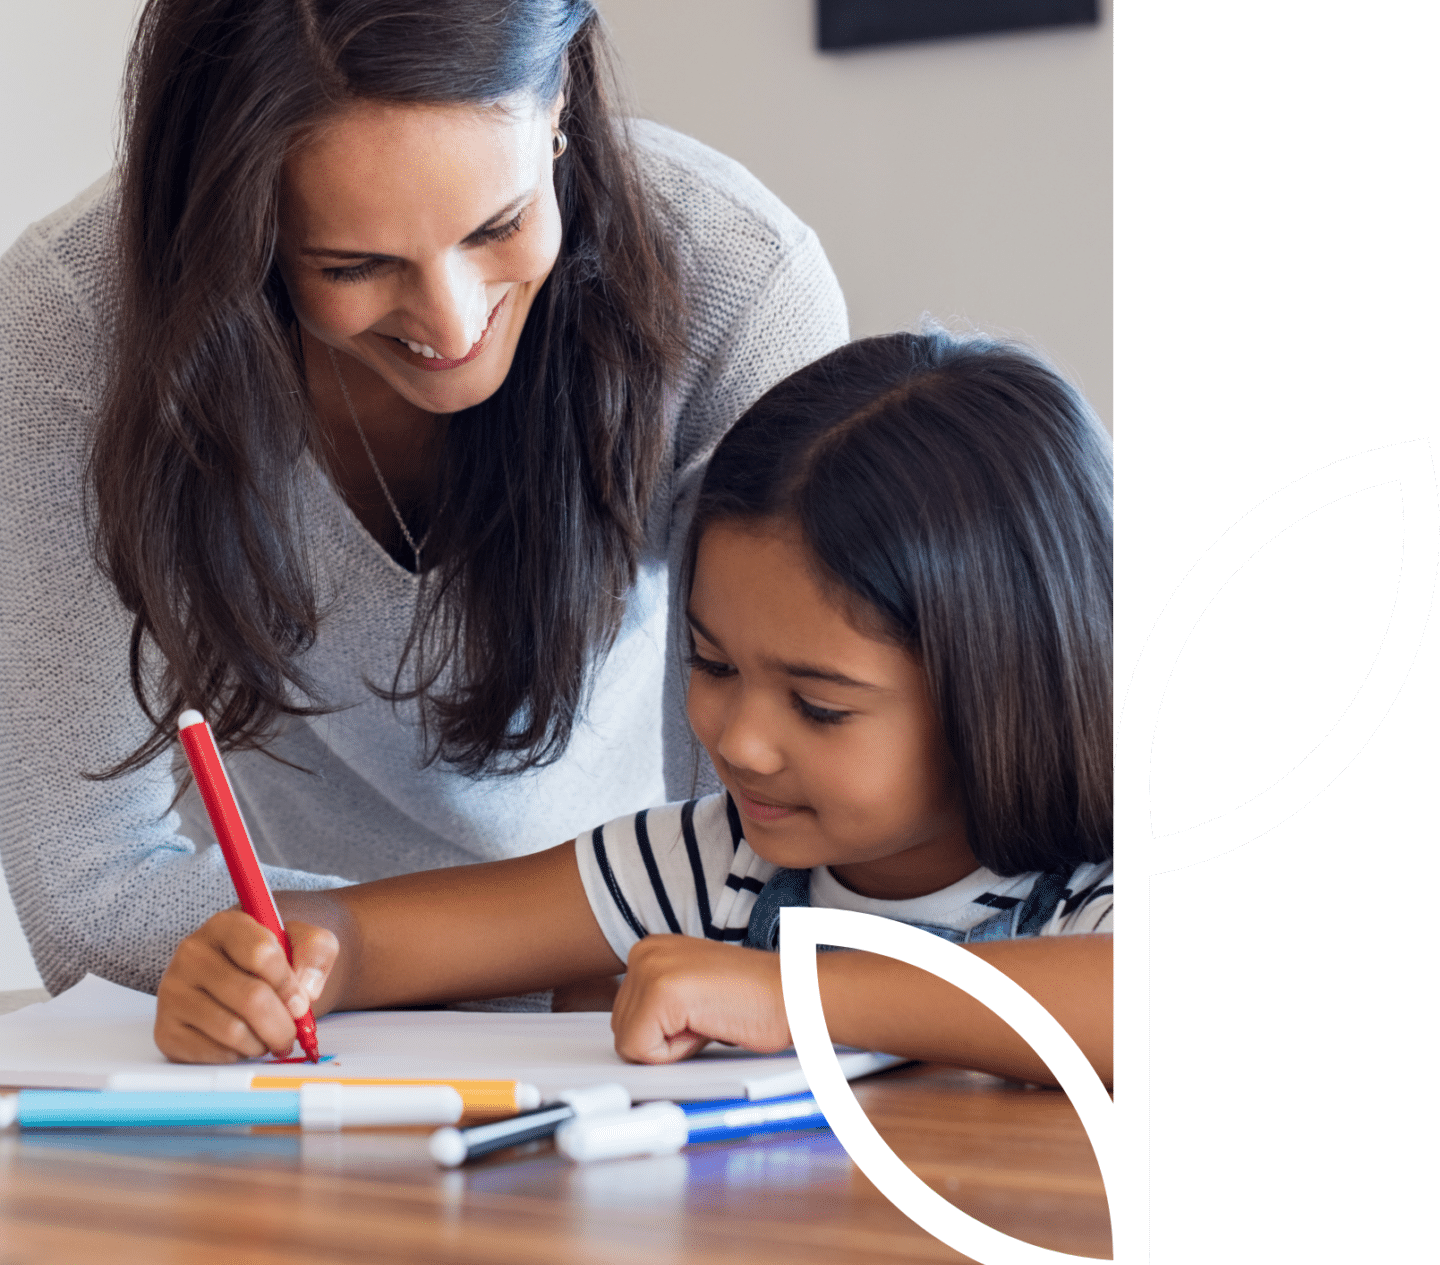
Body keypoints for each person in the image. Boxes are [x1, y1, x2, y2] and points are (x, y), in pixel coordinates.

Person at [0, 0, 848, 997]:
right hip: (276, 1022)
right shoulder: (71, 328)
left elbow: (794, 823)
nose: (450, 323)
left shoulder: (736, 281)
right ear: (238, 234)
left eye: (498, 227)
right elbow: (91, 891)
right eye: (350, 264)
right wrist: (367, 963)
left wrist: (604, 948)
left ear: (559, 108)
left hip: (638, 1002)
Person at [155, 333, 1114, 1084]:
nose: (737, 741)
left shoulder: (1103, 885)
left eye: (819, 707)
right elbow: (369, 937)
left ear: (1006, 689)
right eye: (709, 661)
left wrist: (794, 996)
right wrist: (279, 966)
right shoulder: (710, 863)